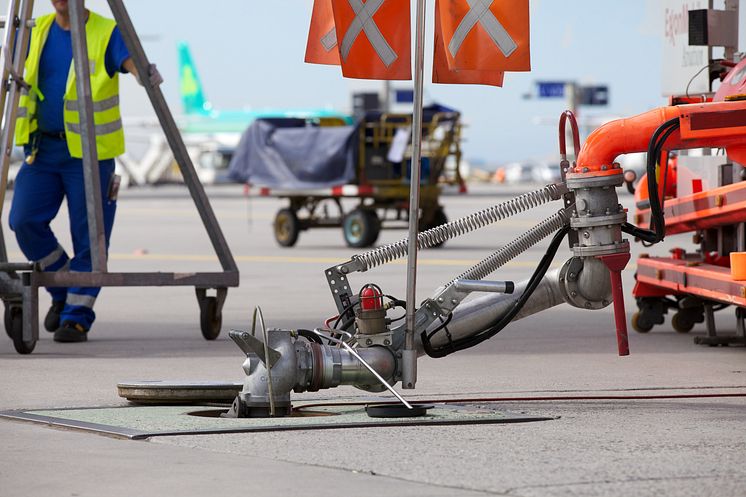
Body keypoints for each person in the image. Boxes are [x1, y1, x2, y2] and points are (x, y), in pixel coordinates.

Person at [10, 0, 161, 343]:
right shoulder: (37, 29)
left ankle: (77, 316)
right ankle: (61, 289)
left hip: (89, 155)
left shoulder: (105, 31)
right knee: (23, 220)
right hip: (42, 149)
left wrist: (145, 72)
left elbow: (131, 62)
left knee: (90, 238)